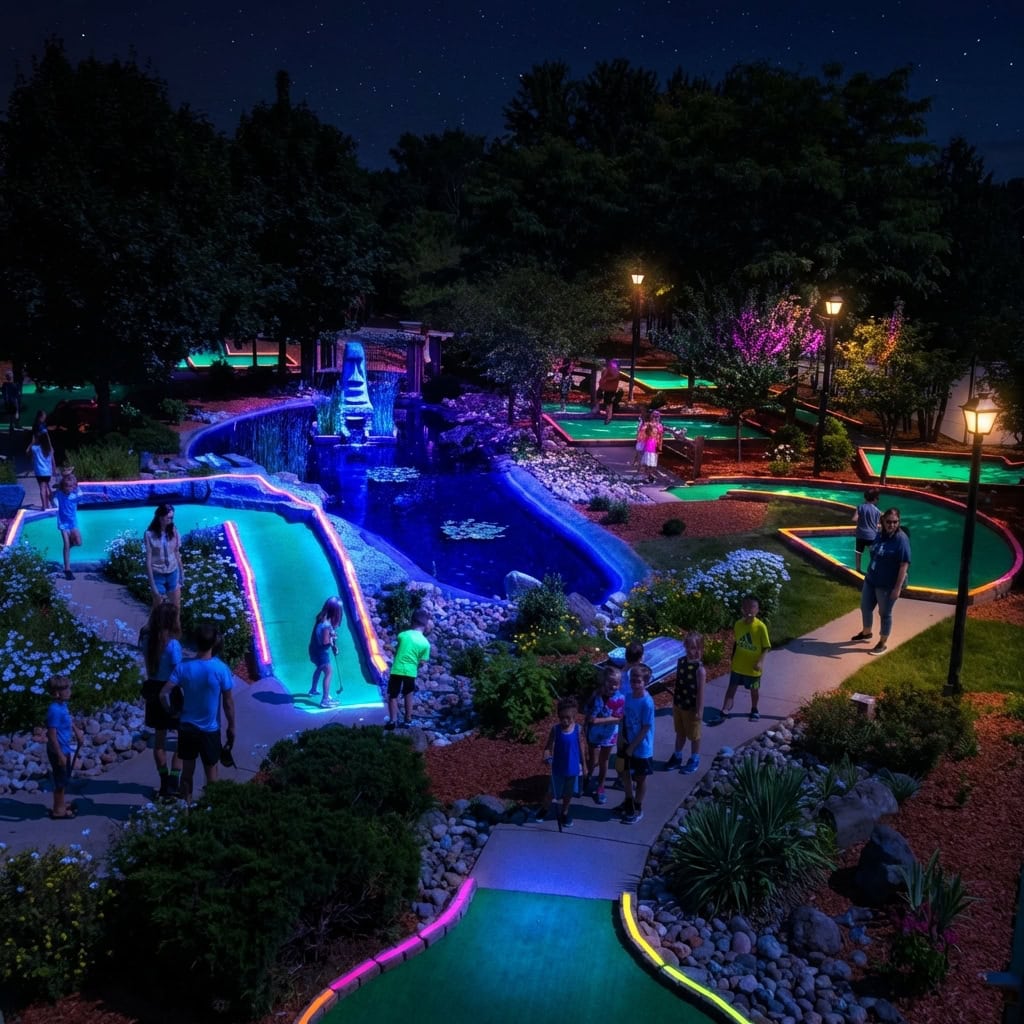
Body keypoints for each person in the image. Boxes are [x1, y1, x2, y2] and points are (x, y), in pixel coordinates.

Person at [161, 622, 235, 804]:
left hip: (187, 728)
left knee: (187, 774)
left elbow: (163, 693)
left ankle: (186, 810)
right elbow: (228, 702)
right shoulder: (221, 669)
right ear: (214, 643)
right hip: (210, 730)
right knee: (212, 773)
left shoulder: (183, 668)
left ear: (196, 642)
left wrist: (172, 712)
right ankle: (210, 810)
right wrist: (232, 726)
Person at [852, 507, 911, 655]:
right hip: (871, 579)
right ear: (883, 522)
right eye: (889, 522)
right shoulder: (880, 535)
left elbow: (904, 564)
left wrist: (897, 588)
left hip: (886, 585)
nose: (892, 525)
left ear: (899, 522)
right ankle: (866, 632)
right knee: (865, 607)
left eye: (895, 522)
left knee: (885, 613)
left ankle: (882, 642)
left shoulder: (901, 540)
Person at [143, 602, 184, 799]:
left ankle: (163, 782)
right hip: (170, 689)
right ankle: (174, 782)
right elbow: (178, 671)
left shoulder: (146, 639)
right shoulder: (173, 645)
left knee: (159, 741)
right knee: (182, 740)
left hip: (152, 688)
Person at [714, 594, 771, 723]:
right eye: (746, 606)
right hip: (738, 665)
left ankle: (754, 709)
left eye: (752, 607)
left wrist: (760, 662)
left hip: (753, 668)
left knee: (754, 690)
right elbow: (737, 643)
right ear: (742, 608)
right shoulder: (738, 624)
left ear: (757, 610)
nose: (749, 609)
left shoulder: (761, 627)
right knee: (731, 688)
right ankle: (725, 709)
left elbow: (766, 647)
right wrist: (732, 658)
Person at [539, 696, 585, 829]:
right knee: (551, 793)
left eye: (568, 718)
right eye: (562, 717)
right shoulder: (555, 729)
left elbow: (582, 749)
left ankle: (565, 812)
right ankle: (544, 809)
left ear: (574, 716)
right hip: (558, 768)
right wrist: (547, 757)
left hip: (573, 769)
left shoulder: (578, 730)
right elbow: (547, 748)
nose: (565, 721)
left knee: (568, 794)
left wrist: (585, 766)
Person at [619, 663, 655, 824]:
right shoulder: (627, 697)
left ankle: (638, 806)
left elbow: (646, 727)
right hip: (626, 743)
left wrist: (633, 746)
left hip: (641, 748)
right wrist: (620, 736)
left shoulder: (647, 702)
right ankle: (628, 800)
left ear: (645, 682)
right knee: (624, 771)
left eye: (638, 681)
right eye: (632, 680)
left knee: (640, 778)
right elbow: (622, 718)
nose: (634, 684)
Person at [666, 631, 706, 774]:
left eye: (696, 648)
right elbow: (679, 683)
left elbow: (701, 692)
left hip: (691, 708)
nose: (692, 651)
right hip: (679, 704)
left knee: (694, 735)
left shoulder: (700, 670)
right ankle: (677, 755)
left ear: (701, 649)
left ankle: (694, 758)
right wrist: (674, 703)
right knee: (680, 732)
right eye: (689, 647)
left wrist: (699, 711)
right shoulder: (681, 662)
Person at [584, 665, 624, 805]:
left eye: (616, 684)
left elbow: (619, 718)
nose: (613, 687)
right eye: (610, 683)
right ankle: (588, 776)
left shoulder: (620, 698)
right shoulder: (596, 696)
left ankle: (600, 787)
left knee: (604, 761)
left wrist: (598, 720)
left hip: (609, 734)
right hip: (594, 734)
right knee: (593, 760)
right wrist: (593, 721)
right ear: (604, 682)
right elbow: (588, 716)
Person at [386, 608, 432, 728]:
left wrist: (391, 649)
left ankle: (392, 720)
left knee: (393, 695)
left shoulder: (403, 635)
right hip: (411, 672)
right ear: (426, 625)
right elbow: (422, 662)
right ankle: (408, 720)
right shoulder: (426, 644)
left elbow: (399, 652)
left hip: (397, 669)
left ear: (412, 622)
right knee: (408, 694)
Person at [45, 674, 83, 820]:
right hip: (57, 750)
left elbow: (68, 719)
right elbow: (52, 735)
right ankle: (58, 811)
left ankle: (60, 803)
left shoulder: (62, 706)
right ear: (57, 693)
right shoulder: (54, 710)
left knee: (64, 778)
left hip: (64, 748)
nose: (70, 691)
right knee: (60, 781)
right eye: (67, 689)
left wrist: (77, 732)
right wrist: (60, 754)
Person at [144, 503, 184, 609]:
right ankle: (152, 625)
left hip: (173, 572)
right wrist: (152, 585)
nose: (171, 520)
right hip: (158, 573)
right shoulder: (149, 534)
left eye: (172, 517)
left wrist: (181, 573)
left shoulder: (173, 530)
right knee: (158, 608)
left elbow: (176, 552)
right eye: (169, 517)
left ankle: (176, 626)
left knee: (176, 607)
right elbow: (148, 560)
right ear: (161, 517)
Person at [308, 596, 344, 707]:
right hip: (320, 652)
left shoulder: (322, 619)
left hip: (315, 649)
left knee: (319, 668)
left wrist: (333, 645)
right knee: (328, 672)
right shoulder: (326, 625)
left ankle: (313, 689)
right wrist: (333, 637)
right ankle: (325, 700)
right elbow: (325, 642)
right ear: (335, 611)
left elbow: (327, 640)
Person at [52, 470, 82, 581]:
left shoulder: (75, 495)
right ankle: (67, 569)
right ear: (63, 487)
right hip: (63, 524)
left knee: (78, 543)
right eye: (67, 486)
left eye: (71, 486)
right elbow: (55, 492)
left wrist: (70, 476)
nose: (69, 488)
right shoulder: (59, 494)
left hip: (73, 523)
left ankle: (67, 549)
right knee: (66, 543)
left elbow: (79, 491)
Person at [852, 487, 882, 574]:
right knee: (873, 554)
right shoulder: (877, 511)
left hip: (860, 534)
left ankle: (858, 569)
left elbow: (854, 519)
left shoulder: (860, 507)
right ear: (875, 499)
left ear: (865, 498)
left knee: (858, 551)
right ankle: (873, 570)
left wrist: (861, 521)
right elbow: (880, 523)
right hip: (872, 536)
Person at [27, 429, 55, 509]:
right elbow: (52, 459)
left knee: (42, 488)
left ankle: (44, 506)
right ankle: (47, 505)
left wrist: (32, 442)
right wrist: (54, 469)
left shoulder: (35, 448)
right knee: (45, 487)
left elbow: (27, 452)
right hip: (48, 472)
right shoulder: (49, 449)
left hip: (39, 472)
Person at [641, 409, 665, 483]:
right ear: (652, 417)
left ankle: (650, 474)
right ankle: (648, 474)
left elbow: (661, 436)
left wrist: (660, 445)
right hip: (649, 444)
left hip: (655, 444)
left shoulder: (659, 426)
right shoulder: (648, 425)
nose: (655, 418)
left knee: (653, 461)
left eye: (657, 417)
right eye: (654, 416)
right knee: (648, 461)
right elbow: (644, 433)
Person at [597, 359, 621, 424]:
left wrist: (606, 379)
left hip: (612, 390)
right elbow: (603, 377)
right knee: (607, 404)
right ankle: (607, 416)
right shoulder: (607, 370)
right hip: (607, 390)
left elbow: (615, 377)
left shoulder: (616, 372)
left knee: (609, 404)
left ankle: (609, 417)